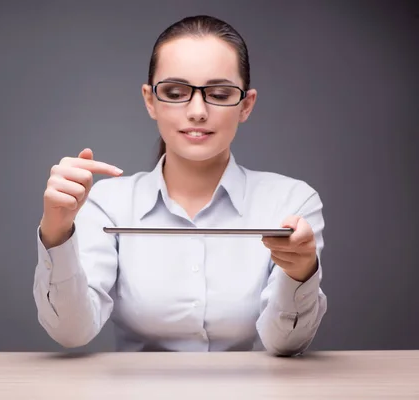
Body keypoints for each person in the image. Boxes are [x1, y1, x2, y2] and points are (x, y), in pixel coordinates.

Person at [33, 15, 327, 355]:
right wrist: (55, 231)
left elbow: (285, 344)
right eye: (175, 92)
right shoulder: (106, 204)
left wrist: (301, 273)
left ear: (246, 105)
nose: (198, 111)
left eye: (219, 93)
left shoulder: (291, 201)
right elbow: (71, 332)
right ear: (149, 100)